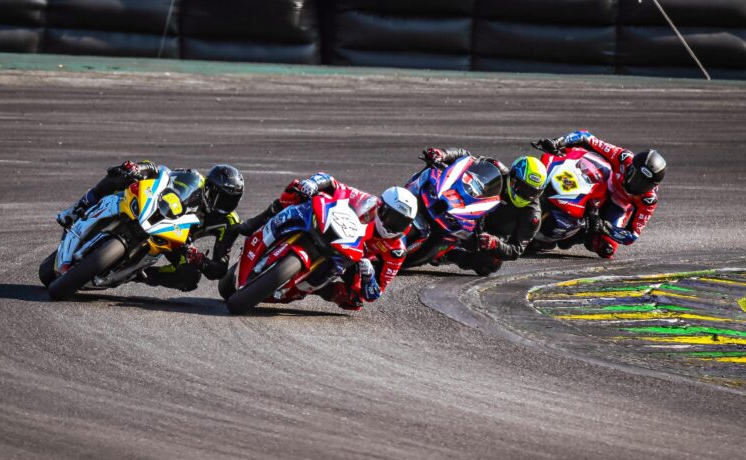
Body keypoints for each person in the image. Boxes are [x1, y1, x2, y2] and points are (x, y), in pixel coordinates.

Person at [236, 172, 417, 310]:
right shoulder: (368, 202)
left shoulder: (396, 250)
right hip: (334, 229)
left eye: (402, 223)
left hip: (353, 260)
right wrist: (313, 183)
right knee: (297, 188)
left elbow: (374, 294)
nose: (394, 226)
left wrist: (369, 276)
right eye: (393, 218)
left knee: (355, 301)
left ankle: (308, 289)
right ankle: (260, 221)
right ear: (382, 208)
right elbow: (332, 182)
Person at [56, 160, 244, 291]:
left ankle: (138, 273)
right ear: (210, 187)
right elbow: (161, 171)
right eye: (221, 197)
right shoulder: (193, 178)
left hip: (177, 241)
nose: (224, 205)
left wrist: (199, 260)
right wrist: (137, 168)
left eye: (231, 200)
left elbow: (219, 269)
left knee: (190, 277)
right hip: (156, 211)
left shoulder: (229, 223)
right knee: (122, 174)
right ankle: (76, 209)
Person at [534, 131, 666, 258]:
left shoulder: (648, 200)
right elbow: (586, 137)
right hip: (599, 181)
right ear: (632, 168)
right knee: (588, 160)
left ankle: (571, 233)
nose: (638, 187)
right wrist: (558, 142)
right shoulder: (623, 158)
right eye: (637, 179)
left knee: (606, 249)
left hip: (618, 205)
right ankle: (547, 179)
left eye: (645, 185)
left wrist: (603, 227)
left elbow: (631, 236)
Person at [420, 147, 547, 275]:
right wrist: (443, 154)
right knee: (435, 168)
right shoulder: (496, 168)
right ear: (513, 176)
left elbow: (517, 249)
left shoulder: (533, 216)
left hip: (486, 235)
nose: (526, 195)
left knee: (491, 264)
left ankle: (446, 255)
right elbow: (467, 158)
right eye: (523, 188)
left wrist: (495, 244)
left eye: (532, 192)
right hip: (464, 206)